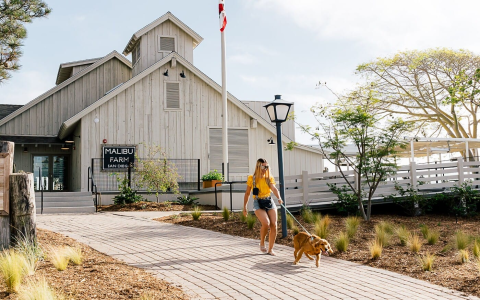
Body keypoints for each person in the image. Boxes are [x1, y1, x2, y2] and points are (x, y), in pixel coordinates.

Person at [243, 158, 283, 256]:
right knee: (266, 223)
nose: (265, 168)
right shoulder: (251, 178)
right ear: (258, 166)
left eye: (266, 166)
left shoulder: (269, 177)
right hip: (258, 202)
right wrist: (245, 207)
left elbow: (274, 188)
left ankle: (270, 249)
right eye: (263, 166)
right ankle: (262, 242)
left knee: (274, 224)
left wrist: (279, 197)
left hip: (269, 201)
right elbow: (247, 193)